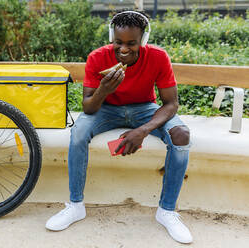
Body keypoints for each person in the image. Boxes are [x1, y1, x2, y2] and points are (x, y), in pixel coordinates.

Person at [45, 11, 193, 244]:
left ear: (142, 41)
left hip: (145, 108)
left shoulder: (158, 57)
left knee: (181, 135)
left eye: (131, 43)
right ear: (111, 37)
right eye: (118, 42)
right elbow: (89, 108)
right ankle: (75, 206)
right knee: (78, 133)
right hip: (106, 108)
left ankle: (167, 212)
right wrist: (104, 89)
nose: (123, 49)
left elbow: (171, 103)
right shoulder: (97, 57)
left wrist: (143, 130)